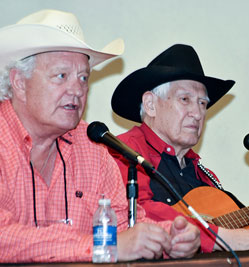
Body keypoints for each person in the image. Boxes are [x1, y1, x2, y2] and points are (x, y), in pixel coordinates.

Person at [0, 10, 200, 263]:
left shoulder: (91, 144)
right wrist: (101, 247)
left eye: (84, 78)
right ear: (19, 81)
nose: (77, 90)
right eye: (61, 76)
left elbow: (125, 224)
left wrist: (170, 238)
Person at [110, 44, 249, 253]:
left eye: (202, 103)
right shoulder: (124, 151)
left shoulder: (204, 177)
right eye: (185, 99)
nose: (198, 113)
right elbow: (135, 212)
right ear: (150, 104)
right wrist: (219, 238)